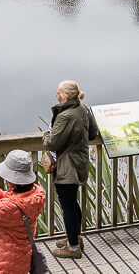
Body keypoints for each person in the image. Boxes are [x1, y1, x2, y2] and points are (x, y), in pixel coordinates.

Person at [42, 80, 99, 258]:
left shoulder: (66, 116)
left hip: (67, 166)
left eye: (58, 93)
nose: (56, 95)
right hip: (80, 162)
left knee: (67, 205)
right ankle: (75, 238)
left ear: (65, 96)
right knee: (72, 203)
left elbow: (52, 142)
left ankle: (73, 247)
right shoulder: (83, 109)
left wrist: (45, 134)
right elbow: (93, 132)